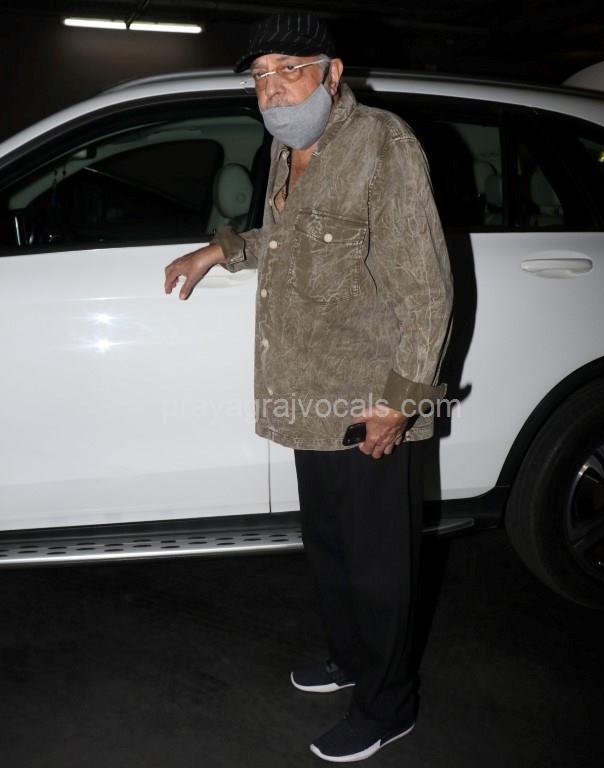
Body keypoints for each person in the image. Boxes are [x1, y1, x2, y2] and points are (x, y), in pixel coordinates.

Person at [164, 12, 454, 763]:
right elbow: (294, 240)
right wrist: (219, 250)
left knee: (380, 565)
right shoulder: (284, 148)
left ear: (332, 72)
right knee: (329, 547)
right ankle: (352, 659)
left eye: (289, 70)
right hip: (306, 390)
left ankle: (389, 704)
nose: (272, 89)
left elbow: (427, 288)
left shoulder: (382, 145)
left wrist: (400, 401)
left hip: (366, 401)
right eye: (260, 76)